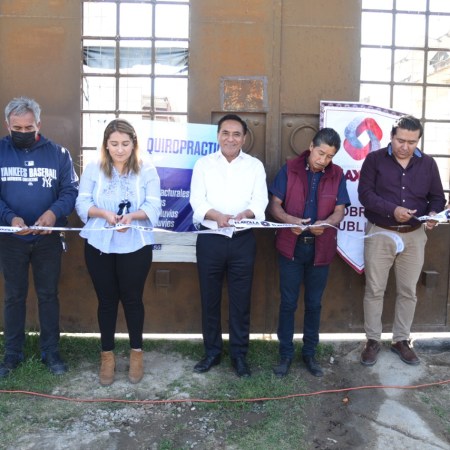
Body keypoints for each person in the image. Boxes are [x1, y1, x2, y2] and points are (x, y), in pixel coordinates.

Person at [75, 119, 161, 385]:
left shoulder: (147, 169)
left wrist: (131, 217)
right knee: (107, 301)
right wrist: (104, 214)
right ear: (106, 145)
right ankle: (107, 357)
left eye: (125, 143)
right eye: (114, 144)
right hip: (99, 243)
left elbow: (154, 206)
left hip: (135, 243)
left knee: (133, 300)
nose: (120, 149)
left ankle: (136, 354)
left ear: (134, 143)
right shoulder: (93, 168)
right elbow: (82, 202)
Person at [0, 96, 79, 378]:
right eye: (17, 128)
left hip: (47, 238)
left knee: (48, 295)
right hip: (11, 239)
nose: (23, 132)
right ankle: (12, 354)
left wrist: (53, 214)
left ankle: (51, 352)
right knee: (14, 296)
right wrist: (11, 218)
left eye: (28, 127)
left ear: (39, 125)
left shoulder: (58, 154)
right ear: (7, 125)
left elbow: (70, 191)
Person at [358, 115, 445, 366]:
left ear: (418, 141)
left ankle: (401, 340)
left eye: (412, 142)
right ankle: (372, 341)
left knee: (408, 290)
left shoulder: (428, 164)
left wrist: (433, 214)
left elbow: (437, 197)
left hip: (414, 234)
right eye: (400, 140)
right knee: (375, 289)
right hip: (380, 231)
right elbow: (365, 194)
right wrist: (392, 210)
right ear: (391, 136)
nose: (405, 146)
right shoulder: (374, 160)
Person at [190, 114, 268, 377]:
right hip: (210, 239)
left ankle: (239, 355)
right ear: (218, 136)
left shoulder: (255, 166)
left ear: (244, 138)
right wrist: (216, 216)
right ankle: (212, 352)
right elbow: (196, 200)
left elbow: (260, 201)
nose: (230, 139)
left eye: (236, 134)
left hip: (242, 240)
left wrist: (245, 214)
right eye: (225, 133)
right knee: (209, 299)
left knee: (240, 301)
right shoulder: (203, 164)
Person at [268, 128, 350, 378]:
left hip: (321, 248)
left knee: (314, 304)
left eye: (330, 156)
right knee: (288, 303)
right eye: (320, 153)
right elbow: (274, 205)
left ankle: (310, 354)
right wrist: (289, 220)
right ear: (311, 146)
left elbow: (340, 210)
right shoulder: (290, 168)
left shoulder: (337, 174)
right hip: (291, 247)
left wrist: (326, 224)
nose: (323, 160)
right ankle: (285, 354)